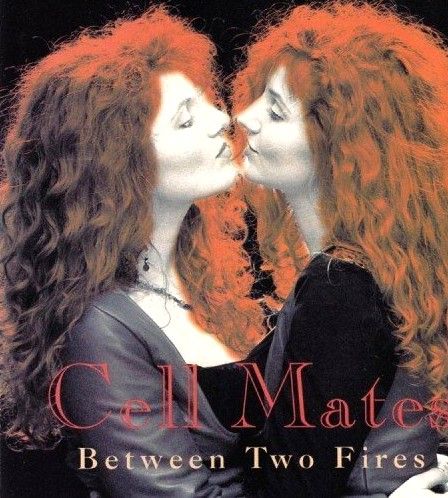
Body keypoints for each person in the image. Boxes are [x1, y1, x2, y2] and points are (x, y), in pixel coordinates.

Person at [0, 7, 268, 497]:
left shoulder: (210, 282)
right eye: (186, 119)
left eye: (208, 102)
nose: (222, 120)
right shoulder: (98, 330)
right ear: (121, 162)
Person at [233, 2, 448, 497]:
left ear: (339, 144)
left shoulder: (339, 289)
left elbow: (290, 487)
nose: (243, 116)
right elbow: (230, 397)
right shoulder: (388, 270)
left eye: (275, 110)